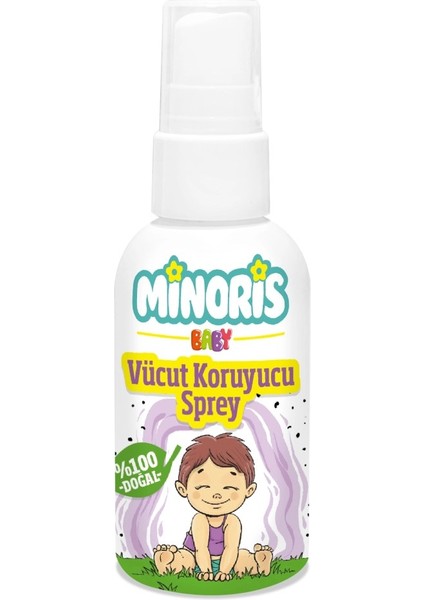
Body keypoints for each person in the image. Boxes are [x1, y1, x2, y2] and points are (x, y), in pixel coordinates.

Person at [154, 433, 273, 581]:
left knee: (242, 556)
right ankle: (169, 561)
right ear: (182, 489)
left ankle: (258, 563)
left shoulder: (232, 521)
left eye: (229, 488)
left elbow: (231, 548)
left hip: (227, 561)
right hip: (196, 557)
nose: (216, 495)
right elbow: (201, 548)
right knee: (185, 558)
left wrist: (224, 571)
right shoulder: (200, 519)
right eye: (203, 487)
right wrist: (206, 571)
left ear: (248, 490)